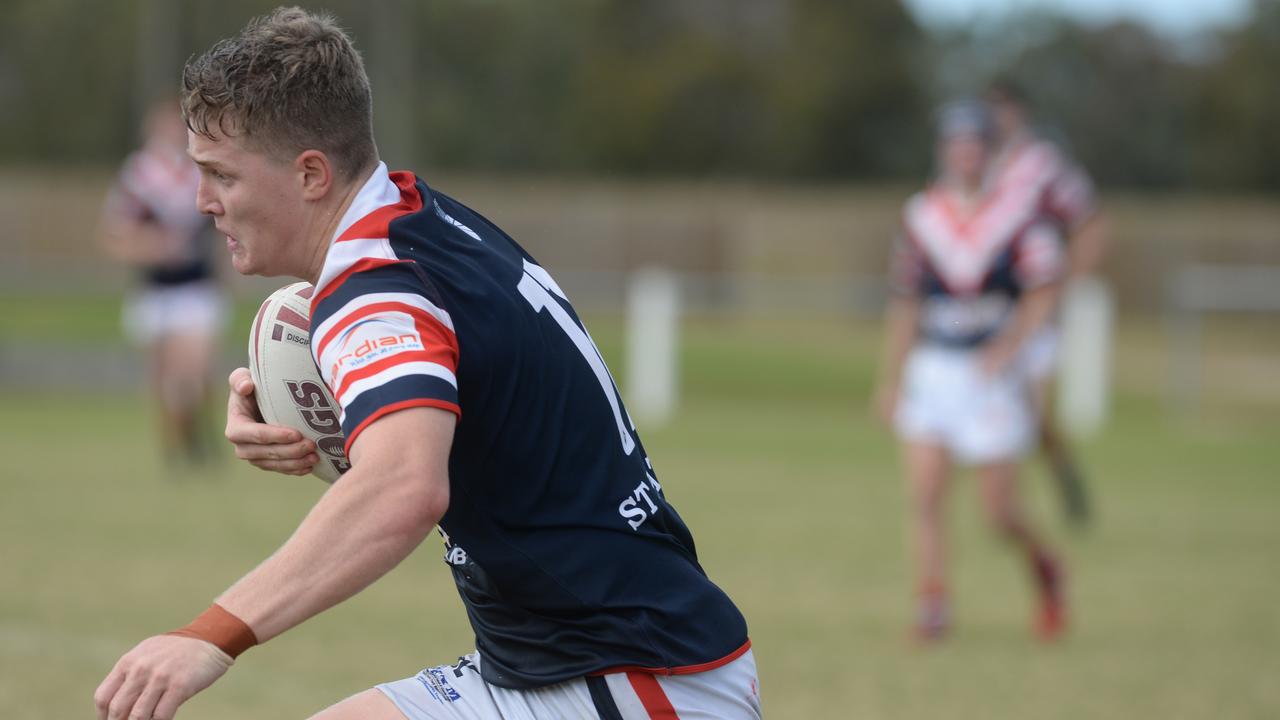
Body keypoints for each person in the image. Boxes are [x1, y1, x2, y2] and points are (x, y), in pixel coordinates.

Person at [94, 8, 759, 720]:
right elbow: (467, 407)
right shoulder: (422, 221)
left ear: (311, 173)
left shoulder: (375, 292)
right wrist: (307, 410)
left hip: (627, 674)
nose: (201, 203)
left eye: (220, 175)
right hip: (566, 659)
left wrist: (210, 637)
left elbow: (405, 487)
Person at [873, 100, 1067, 642]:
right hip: (934, 369)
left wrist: (1010, 345)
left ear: (990, 151)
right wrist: (889, 378)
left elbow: (1044, 291)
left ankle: (1046, 568)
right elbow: (906, 302)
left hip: (991, 376)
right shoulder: (921, 217)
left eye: (975, 143)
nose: (966, 153)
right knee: (926, 494)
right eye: (956, 143)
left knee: (998, 512)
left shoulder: (1020, 216)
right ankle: (933, 604)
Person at [984, 78, 1107, 525]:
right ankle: (1005, 505)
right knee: (996, 409)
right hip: (986, 311)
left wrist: (1064, 285)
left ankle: (1054, 474)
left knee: (1032, 414)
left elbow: (1090, 222)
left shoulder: (1043, 165)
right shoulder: (973, 163)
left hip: (1032, 307)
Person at [96, 97, 226, 466]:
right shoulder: (139, 176)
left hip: (196, 288)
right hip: (154, 290)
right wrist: (152, 248)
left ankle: (199, 435)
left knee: (196, 373)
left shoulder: (201, 172)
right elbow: (114, 236)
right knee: (165, 381)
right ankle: (177, 449)